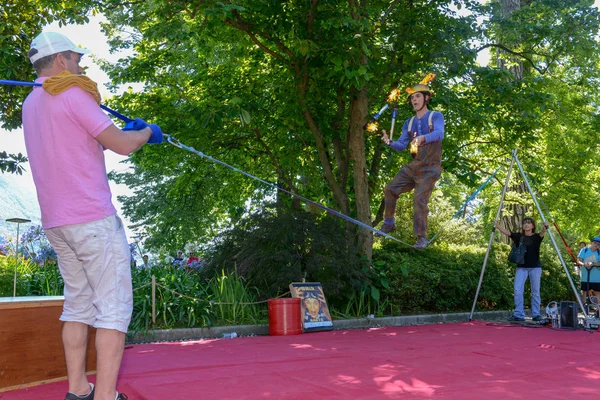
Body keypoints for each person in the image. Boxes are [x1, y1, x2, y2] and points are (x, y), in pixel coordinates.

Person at [22, 32, 163, 400]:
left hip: (57, 222)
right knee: (113, 311)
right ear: (59, 60)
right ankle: (105, 397)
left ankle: (78, 391)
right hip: (92, 220)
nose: (80, 65)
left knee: (78, 306)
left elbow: (82, 139)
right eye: (76, 58)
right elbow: (121, 145)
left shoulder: (32, 102)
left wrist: (120, 131)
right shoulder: (71, 93)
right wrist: (147, 132)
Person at [377, 75, 444, 249]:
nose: (414, 100)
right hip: (414, 166)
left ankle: (422, 237)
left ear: (426, 98)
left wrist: (423, 138)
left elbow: (439, 134)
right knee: (390, 189)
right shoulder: (409, 122)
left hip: (430, 168)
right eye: (412, 98)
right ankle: (389, 223)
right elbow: (401, 145)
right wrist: (390, 142)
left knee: (419, 200)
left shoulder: (435, 116)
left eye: (417, 96)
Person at [494, 218, 549, 322]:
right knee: (517, 290)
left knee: (535, 291)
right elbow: (507, 233)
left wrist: (545, 227)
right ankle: (519, 314)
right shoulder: (519, 236)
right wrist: (497, 226)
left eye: (529, 223)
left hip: (535, 267)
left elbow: (542, 233)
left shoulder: (537, 237)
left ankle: (536, 314)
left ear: (533, 226)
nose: (526, 225)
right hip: (522, 267)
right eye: (524, 223)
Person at [576, 237, 600, 304]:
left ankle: (598, 310)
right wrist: (584, 264)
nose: (596, 245)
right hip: (585, 277)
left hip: (596, 278)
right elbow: (578, 261)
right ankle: (584, 308)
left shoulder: (599, 252)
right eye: (595, 243)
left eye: (598, 244)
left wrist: (592, 263)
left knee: (597, 293)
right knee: (584, 292)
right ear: (591, 243)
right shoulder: (584, 250)